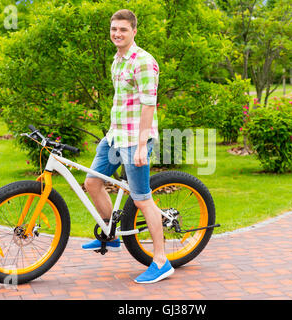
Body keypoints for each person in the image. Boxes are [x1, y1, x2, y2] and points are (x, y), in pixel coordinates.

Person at [81, 9, 174, 284]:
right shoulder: (117, 60)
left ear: (134, 31)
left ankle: (160, 261)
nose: (117, 34)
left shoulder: (144, 62)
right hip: (115, 137)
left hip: (135, 140)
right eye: (113, 29)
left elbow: (149, 105)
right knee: (93, 183)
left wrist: (144, 145)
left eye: (123, 29)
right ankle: (110, 236)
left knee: (142, 199)